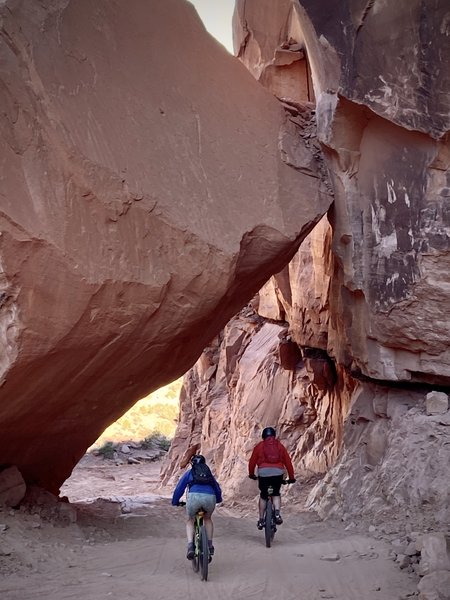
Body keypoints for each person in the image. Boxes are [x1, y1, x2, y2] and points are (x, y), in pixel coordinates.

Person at [171, 454, 222, 560]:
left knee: (190, 520)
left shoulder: (190, 473)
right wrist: (218, 499)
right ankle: (209, 545)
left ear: (193, 464)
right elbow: (217, 488)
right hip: (210, 498)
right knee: (207, 518)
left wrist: (175, 501)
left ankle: (190, 546)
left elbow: (179, 488)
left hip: (194, 498)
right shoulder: (208, 474)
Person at [248, 426, 296, 529]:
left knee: (263, 495)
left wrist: (251, 474)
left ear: (263, 436)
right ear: (274, 436)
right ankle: (277, 514)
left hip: (263, 473)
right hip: (278, 472)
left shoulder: (259, 446)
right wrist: (291, 477)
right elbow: (288, 462)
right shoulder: (279, 446)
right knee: (276, 493)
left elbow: (252, 462)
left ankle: (261, 520)